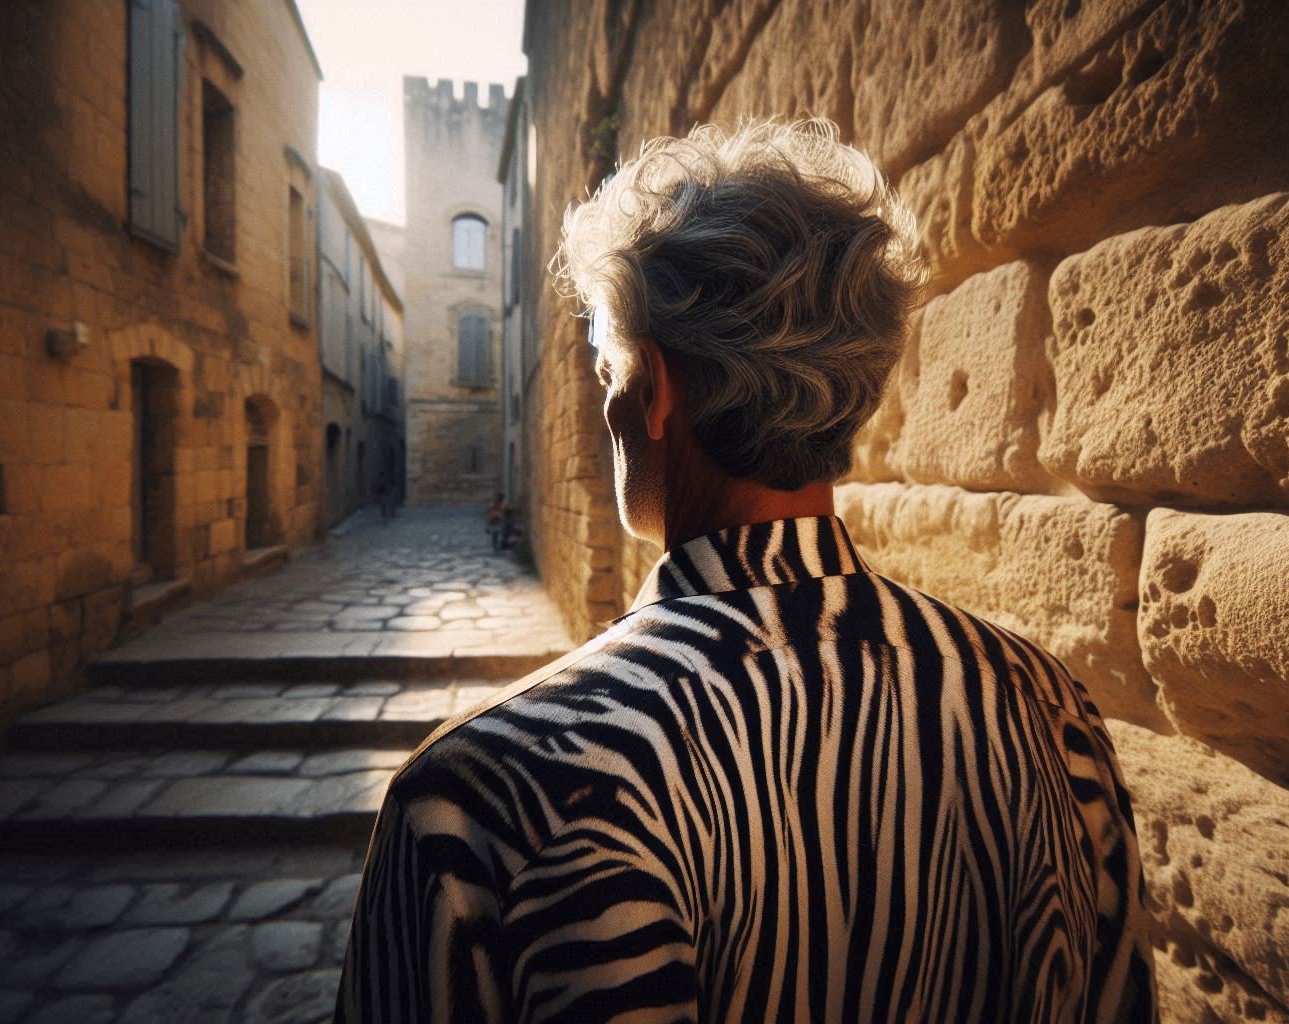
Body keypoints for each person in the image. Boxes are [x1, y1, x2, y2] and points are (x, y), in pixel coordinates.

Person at [338, 119, 1155, 1023]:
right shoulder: (1046, 707)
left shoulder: (480, 794)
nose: (608, 404)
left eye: (609, 370)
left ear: (654, 390)